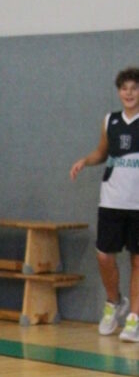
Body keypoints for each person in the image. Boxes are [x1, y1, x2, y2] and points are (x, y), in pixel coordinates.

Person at [70, 67, 139, 341]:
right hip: (112, 200)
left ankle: (134, 319)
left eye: (134, 88)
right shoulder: (110, 120)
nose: (129, 93)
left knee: (137, 260)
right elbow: (102, 152)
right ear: (119, 92)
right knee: (104, 256)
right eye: (124, 88)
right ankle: (114, 302)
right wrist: (85, 161)